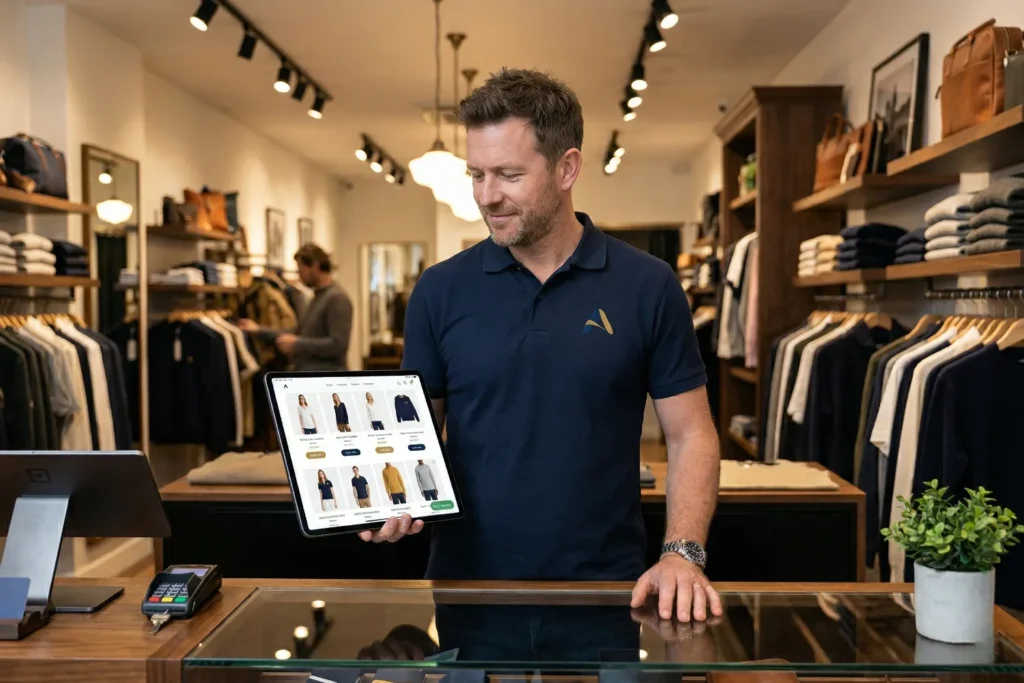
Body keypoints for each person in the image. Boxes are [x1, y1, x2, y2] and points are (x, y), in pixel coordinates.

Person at [362, 68, 723, 624]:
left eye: (508, 174)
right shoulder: (438, 289)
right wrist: (392, 494)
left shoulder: (648, 285)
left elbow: (691, 432)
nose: (487, 196)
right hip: (468, 588)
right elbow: (414, 432)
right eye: (476, 174)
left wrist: (682, 553)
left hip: (610, 590)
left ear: (567, 167)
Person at [238, 243, 352, 370]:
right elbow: (298, 332)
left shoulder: (337, 298)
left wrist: (297, 344)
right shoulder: (318, 296)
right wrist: (258, 330)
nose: (299, 275)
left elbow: (338, 344)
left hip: (327, 380)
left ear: (314, 266)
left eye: (300, 269)